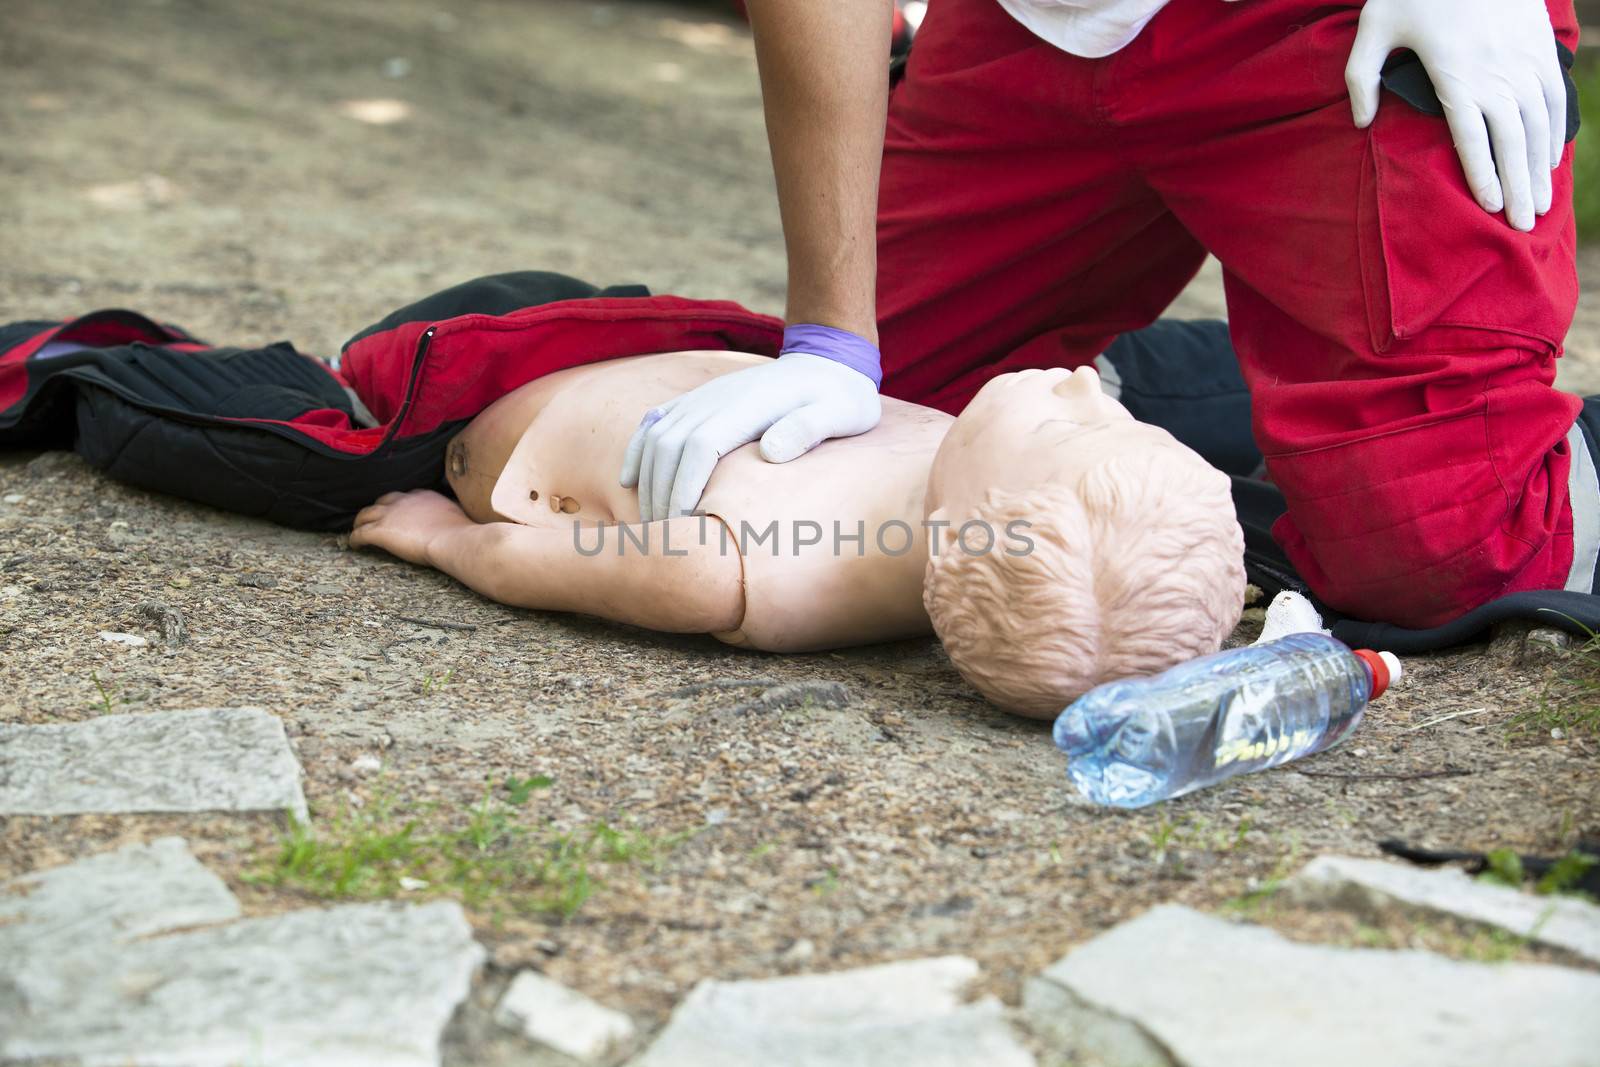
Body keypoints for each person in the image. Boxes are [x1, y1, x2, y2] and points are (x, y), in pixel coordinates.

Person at [622, 0, 1594, 632]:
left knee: (1448, 559)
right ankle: (1140, 389)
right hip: (1038, 28)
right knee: (866, 455)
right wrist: (831, 338)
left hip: (1342, 23)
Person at [351, 359, 1245, 717]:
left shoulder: (741, 567)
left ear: (977, 515)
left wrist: (439, 540)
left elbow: (531, 560)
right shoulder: (976, 491)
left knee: (350, 394)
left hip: (511, 414)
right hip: (709, 369)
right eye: (1121, 415)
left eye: (1069, 423)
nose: (1088, 383)